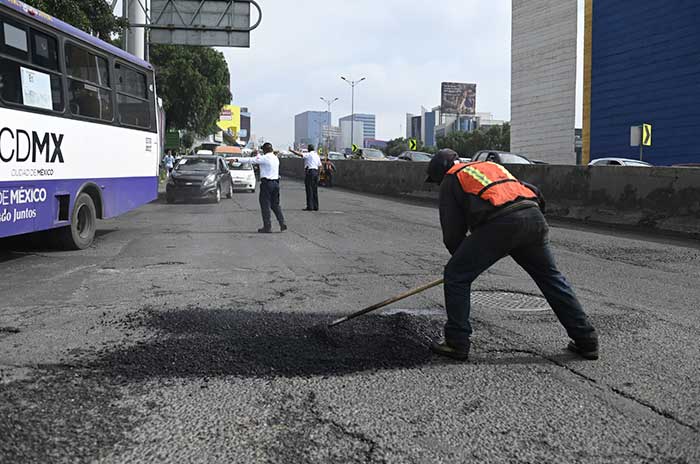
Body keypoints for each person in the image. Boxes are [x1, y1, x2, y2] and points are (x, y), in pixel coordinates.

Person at [425, 149, 599, 361]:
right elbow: (533, 190)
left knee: (456, 275)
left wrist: (466, 262)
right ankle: (586, 340)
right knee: (551, 279)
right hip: (533, 217)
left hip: (502, 224)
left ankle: (456, 342)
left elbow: (452, 234)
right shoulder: (491, 167)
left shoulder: (452, 178)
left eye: (435, 182)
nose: (437, 186)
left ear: (440, 174)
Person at [234, 142, 287, 233]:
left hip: (267, 184)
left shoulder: (265, 158)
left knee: (265, 205)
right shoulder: (275, 158)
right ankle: (282, 223)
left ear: (265, 150)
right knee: (275, 205)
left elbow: (251, 160)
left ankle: (267, 226)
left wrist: (236, 159)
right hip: (276, 183)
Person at [290, 145, 322, 211]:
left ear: (308, 149)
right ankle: (316, 206)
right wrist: (319, 175)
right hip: (316, 172)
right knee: (314, 190)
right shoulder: (317, 155)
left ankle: (310, 206)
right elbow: (320, 166)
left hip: (310, 172)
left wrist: (292, 151)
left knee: (309, 190)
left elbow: (300, 154)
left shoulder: (309, 154)